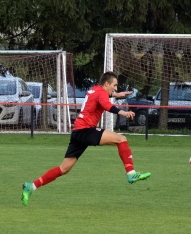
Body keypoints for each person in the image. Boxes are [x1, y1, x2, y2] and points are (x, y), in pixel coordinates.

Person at [21, 71, 151, 206]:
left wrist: (116, 95)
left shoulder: (94, 89)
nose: (116, 88)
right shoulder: (101, 93)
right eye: (115, 85)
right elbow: (106, 105)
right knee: (121, 139)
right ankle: (131, 173)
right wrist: (123, 112)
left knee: (64, 169)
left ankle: (31, 186)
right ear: (106, 83)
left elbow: (102, 97)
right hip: (86, 130)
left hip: (77, 131)